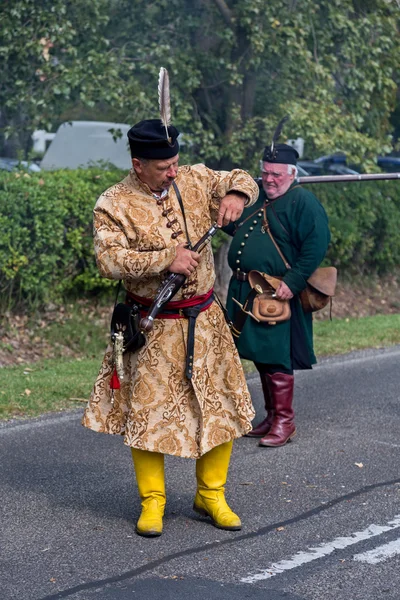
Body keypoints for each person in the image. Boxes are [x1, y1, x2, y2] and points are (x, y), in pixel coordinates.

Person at [82, 117, 259, 537]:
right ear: (138, 163)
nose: (173, 172)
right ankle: (152, 502)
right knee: (147, 416)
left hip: (206, 321)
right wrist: (166, 258)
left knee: (220, 407)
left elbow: (241, 176)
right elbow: (107, 261)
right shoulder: (113, 202)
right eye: (164, 167)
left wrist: (236, 192)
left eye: (176, 162)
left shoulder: (195, 178)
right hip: (152, 325)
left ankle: (210, 496)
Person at [224, 141, 331, 448]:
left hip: (276, 291)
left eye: (276, 174)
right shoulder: (258, 196)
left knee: (276, 355)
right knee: (260, 355)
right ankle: (271, 417)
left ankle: (285, 421)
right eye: (265, 172)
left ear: (292, 174)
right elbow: (243, 228)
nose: (269, 179)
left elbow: (316, 244)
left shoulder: (302, 202)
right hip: (246, 289)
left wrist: (294, 281)